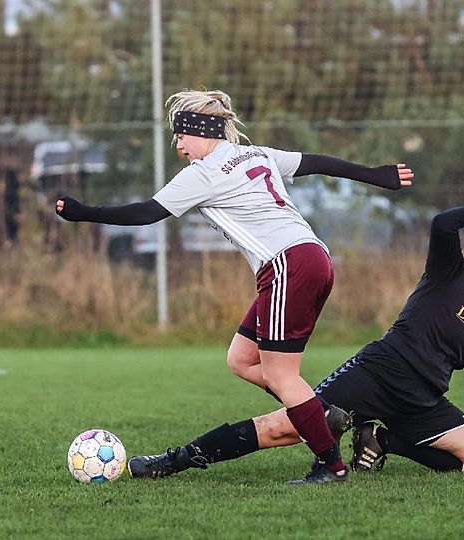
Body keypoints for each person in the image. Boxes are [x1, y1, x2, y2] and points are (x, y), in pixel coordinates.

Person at [54, 89, 414, 484]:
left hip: (286, 265)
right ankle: (322, 414)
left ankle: (331, 464)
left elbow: (146, 213)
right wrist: (377, 175)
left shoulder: (203, 174)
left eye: (180, 137)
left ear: (199, 132)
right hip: (313, 257)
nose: (178, 147)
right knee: (242, 359)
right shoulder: (256, 154)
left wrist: (83, 213)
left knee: (280, 375)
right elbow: (317, 162)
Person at [124, 195, 464, 483]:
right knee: (286, 428)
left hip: (421, 402)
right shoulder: (449, 272)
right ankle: (175, 460)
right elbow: (442, 222)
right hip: (379, 373)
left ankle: (379, 439)